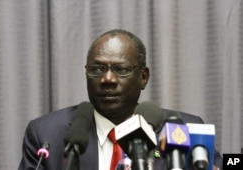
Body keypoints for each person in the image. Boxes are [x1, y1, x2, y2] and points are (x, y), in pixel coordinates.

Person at [18, 29, 222, 170]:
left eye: (121, 70)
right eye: (97, 69)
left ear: (143, 77)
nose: (107, 79)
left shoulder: (184, 129)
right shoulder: (46, 133)